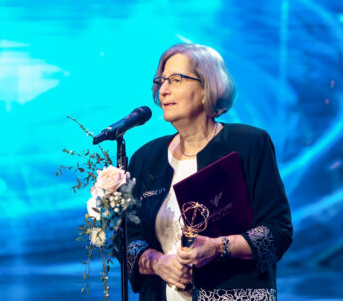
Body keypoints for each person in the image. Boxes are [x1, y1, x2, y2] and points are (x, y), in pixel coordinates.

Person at [125, 43, 293, 301]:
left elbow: (277, 232)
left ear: (206, 88)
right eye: (161, 81)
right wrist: (158, 262)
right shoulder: (147, 158)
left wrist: (218, 247)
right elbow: (127, 240)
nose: (164, 90)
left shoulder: (247, 145)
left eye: (176, 80)